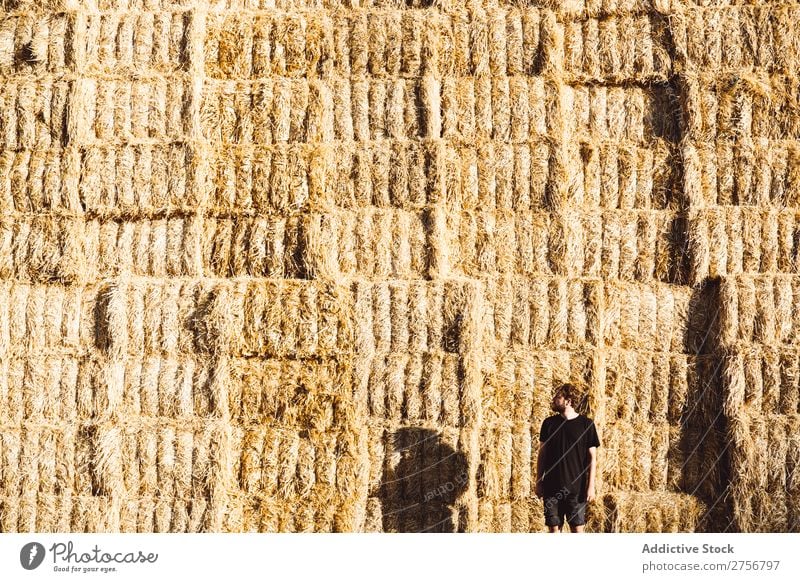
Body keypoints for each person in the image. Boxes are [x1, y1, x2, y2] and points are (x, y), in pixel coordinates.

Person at [535, 383, 600, 532]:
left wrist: (591, 487)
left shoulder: (586, 425)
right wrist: (539, 482)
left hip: (576, 491)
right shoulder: (548, 423)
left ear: (568, 401)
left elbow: (592, 459)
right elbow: (542, 455)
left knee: (577, 530)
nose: (553, 400)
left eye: (558, 397)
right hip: (551, 489)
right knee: (554, 530)